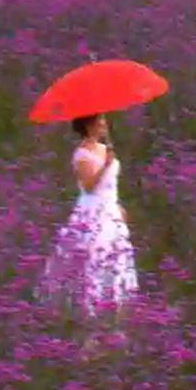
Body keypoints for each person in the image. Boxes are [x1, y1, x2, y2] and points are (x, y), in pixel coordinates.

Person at [43, 117, 142, 321]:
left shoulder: (105, 148)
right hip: (92, 212)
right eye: (100, 121)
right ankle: (89, 312)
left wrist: (118, 206)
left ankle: (116, 309)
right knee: (93, 258)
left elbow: (110, 185)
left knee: (116, 257)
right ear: (89, 125)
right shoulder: (82, 154)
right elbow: (89, 186)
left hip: (110, 210)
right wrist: (106, 165)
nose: (105, 125)